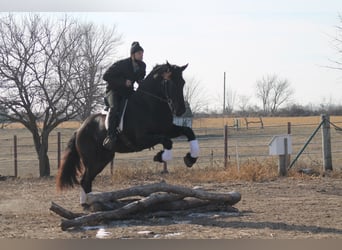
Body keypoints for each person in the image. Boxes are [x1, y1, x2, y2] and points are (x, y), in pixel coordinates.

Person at [102, 41, 146, 150]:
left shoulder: (142, 66)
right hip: (113, 91)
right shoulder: (122, 64)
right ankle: (110, 136)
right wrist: (123, 82)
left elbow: (140, 79)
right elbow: (106, 76)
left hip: (127, 92)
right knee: (114, 107)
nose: (142, 55)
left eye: (142, 53)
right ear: (133, 55)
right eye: (139, 53)